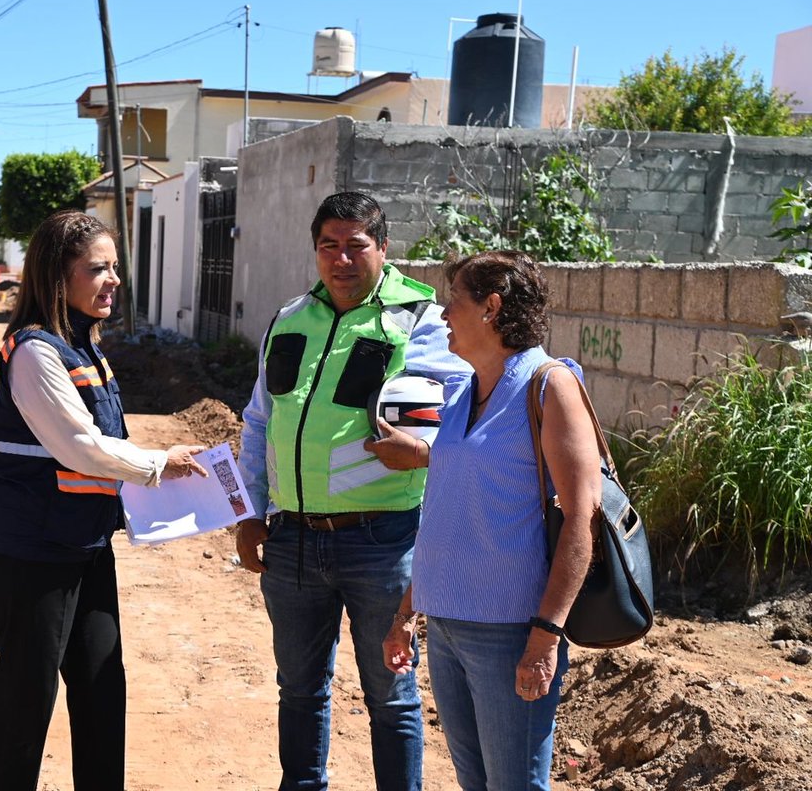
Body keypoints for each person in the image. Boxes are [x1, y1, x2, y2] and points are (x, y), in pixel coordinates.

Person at [235, 191, 468, 790]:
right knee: (300, 689)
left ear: (384, 249)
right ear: (315, 251)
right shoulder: (290, 319)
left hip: (382, 540)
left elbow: (472, 422)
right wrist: (249, 511)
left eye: (356, 246)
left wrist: (424, 454)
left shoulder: (422, 323)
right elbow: (260, 420)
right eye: (328, 246)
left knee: (391, 695)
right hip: (290, 539)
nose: (341, 260)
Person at [0, 209, 207, 791]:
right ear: (59, 275)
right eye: (97, 268)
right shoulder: (35, 352)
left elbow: (105, 443)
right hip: (30, 550)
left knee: (103, 683)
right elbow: (80, 446)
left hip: (82, 542)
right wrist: (160, 464)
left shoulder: (85, 347)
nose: (113, 280)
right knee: (28, 696)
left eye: (114, 268)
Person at [382, 251, 602, 790]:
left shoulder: (549, 387)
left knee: (514, 785)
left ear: (492, 307)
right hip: (448, 626)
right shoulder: (463, 392)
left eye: (453, 302)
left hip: (511, 632)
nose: (442, 317)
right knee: (475, 783)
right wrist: (408, 611)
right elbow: (449, 509)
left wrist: (546, 637)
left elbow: (581, 518)